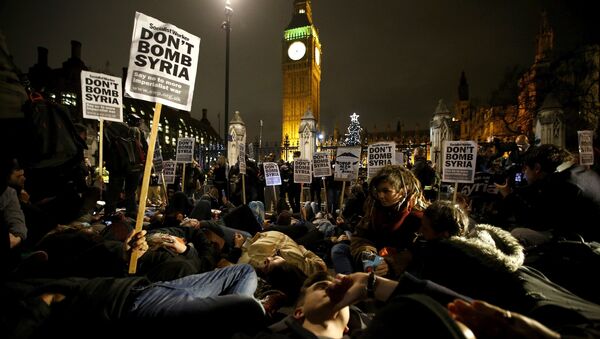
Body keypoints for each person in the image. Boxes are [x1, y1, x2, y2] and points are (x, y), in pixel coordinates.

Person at [331, 165, 428, 278]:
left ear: (402, 190)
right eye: (379, 191)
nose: (381, 196)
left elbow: (418, 251)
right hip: (375, 260)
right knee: (339, 249)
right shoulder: (374, 209)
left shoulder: (418, 216)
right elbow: (361, 236)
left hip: (398, 267)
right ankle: (348, 282)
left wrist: (391, 264)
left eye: (386, 191)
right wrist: (367, 255)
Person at [496, 144, 600, 245]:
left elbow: (535, 222)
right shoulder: (580, 172)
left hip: (580, 242)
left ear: (537, 168)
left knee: (517, 233)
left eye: (526, 169)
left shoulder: (559, 184)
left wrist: (508, 196)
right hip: (589, 234)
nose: (524, 174)